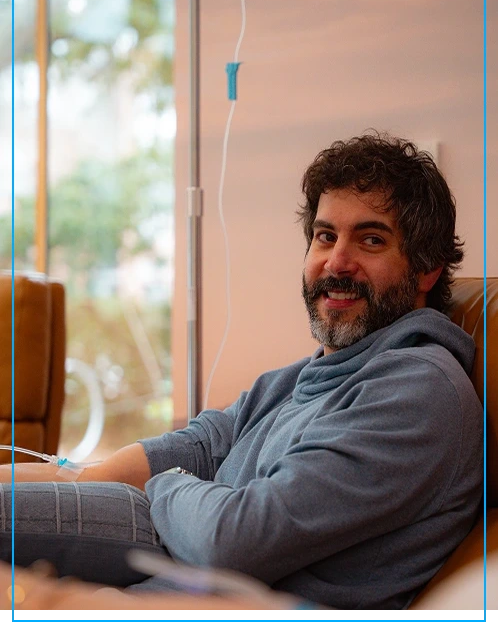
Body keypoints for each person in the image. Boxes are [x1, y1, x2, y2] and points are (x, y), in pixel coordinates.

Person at [0, 131, 483, 614]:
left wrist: (167, 483)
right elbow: (202, 444)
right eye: (325, 236)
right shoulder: (304, 378)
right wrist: (89, 477)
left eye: (371, 239)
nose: (337, 262)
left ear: (426, 269)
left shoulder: (418, 391)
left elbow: (232, 540)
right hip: (163, 573)